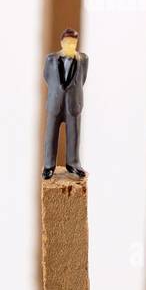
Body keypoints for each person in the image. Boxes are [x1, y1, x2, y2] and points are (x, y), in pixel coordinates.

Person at [42, 28, 88, 179]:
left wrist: (72, 92)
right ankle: (49, 165)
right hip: (55, 103)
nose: (70, 45)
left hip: (73, 103)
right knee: (51, 134)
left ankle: (73, 163)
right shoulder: (51, 59)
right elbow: (47, 77)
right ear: (62, 42)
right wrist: (57, 91)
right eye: (67, 42)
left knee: (74, 134)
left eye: (73, 42)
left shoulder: (83, 60)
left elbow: (82, 80)